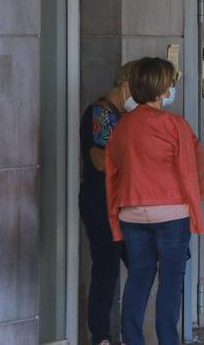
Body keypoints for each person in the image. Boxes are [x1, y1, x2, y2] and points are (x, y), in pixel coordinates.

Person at [105, 58, 204, 345]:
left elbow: (112, 173)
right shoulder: (174, 125)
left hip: (131, 212)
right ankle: (167, 339)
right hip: (171, 211)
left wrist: (115, 212)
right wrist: (197, 202)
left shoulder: (122, 127)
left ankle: (132, 339)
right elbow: (190, 168)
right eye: (170, 84)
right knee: (171, 278)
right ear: (162, 89)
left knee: (138, 277)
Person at [78, 60, 137, 345]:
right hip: (102, 201)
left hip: (125, 203)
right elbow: (98, 159)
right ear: (125, 84)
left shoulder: (128, 117)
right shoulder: (100, 113)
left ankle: (129, 332)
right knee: (107, 267)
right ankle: (100, 335)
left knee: (140, 266)